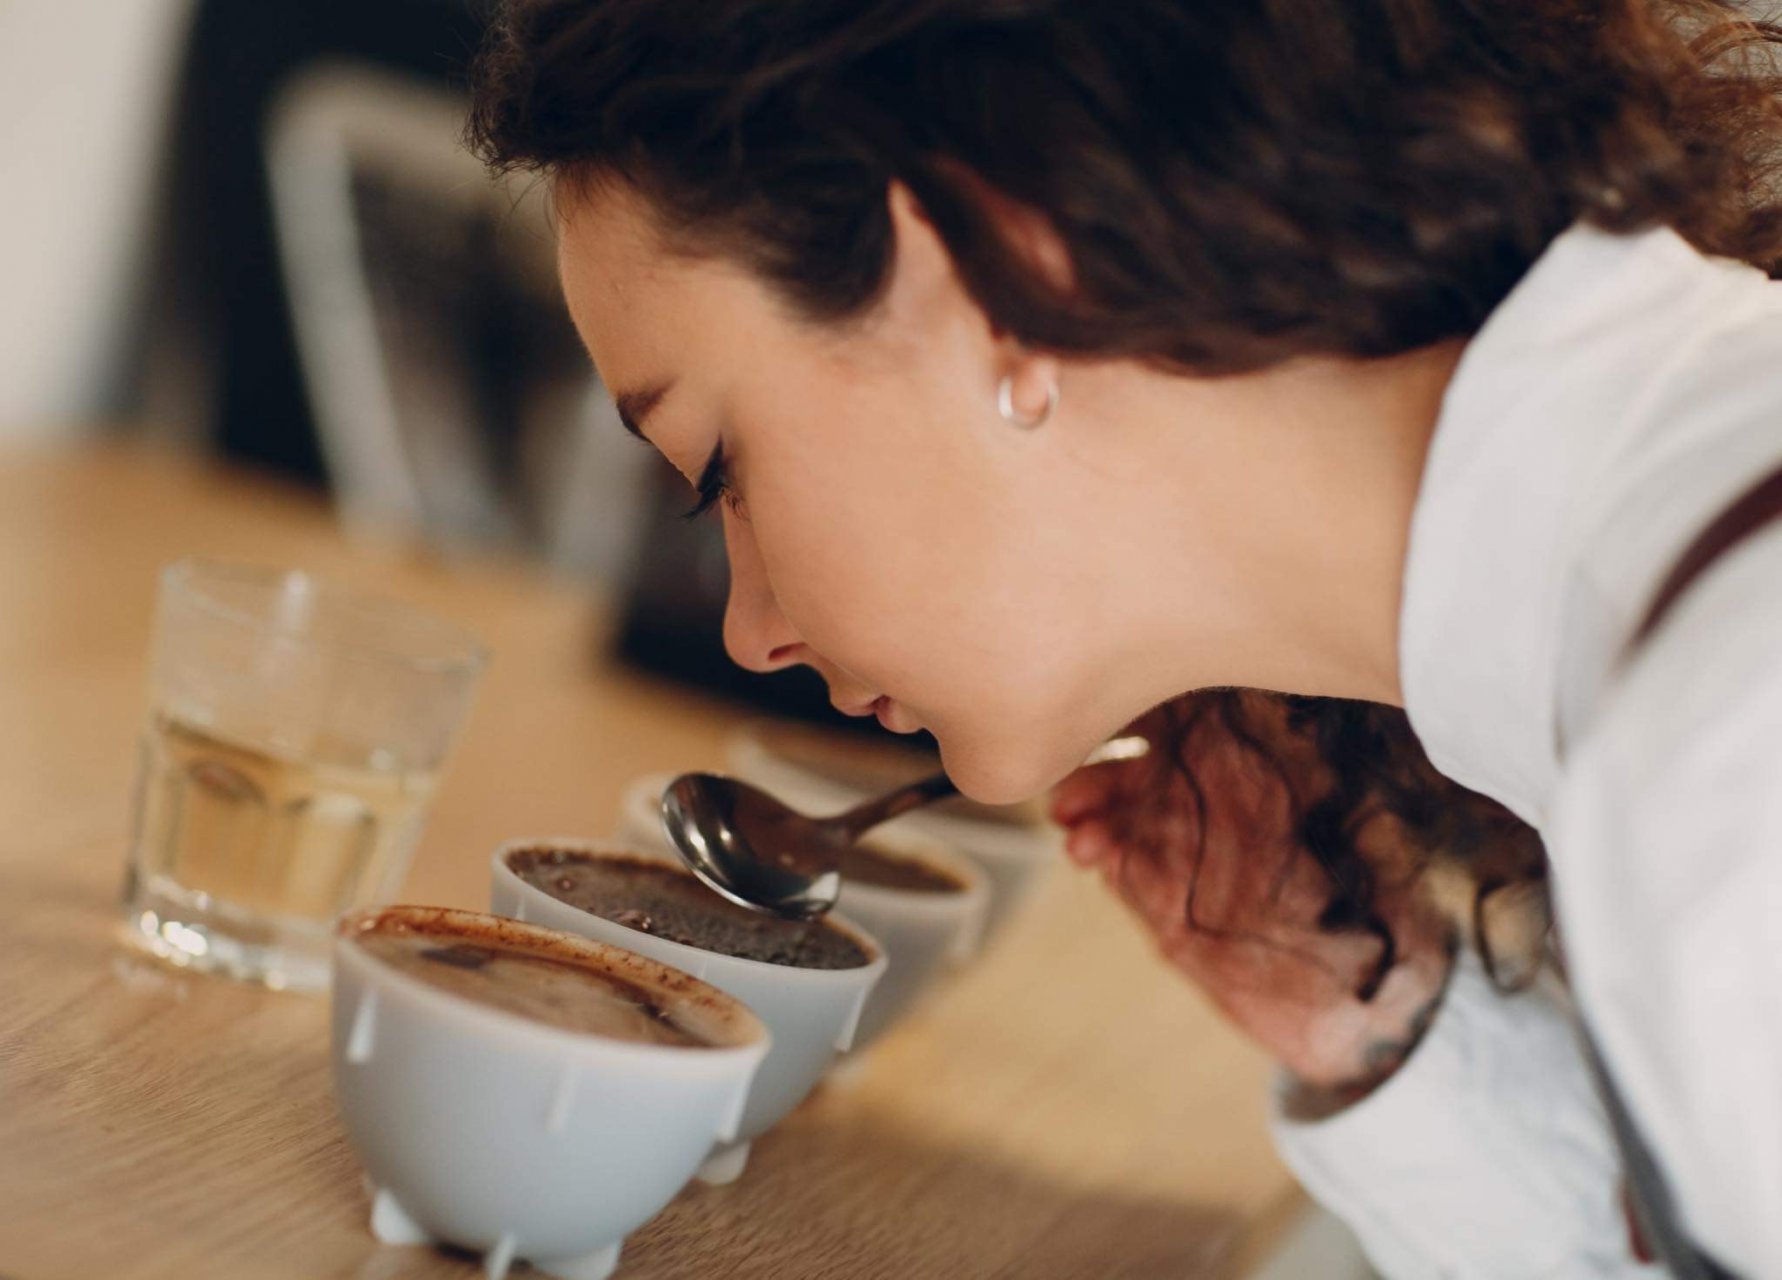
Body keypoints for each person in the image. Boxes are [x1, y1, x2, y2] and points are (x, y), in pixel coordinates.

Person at [464, 2, 1782, 1274]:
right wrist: (1369, 1012)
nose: (750, 630)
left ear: (989, 277)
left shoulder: (1731, 749)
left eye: (722, 471)